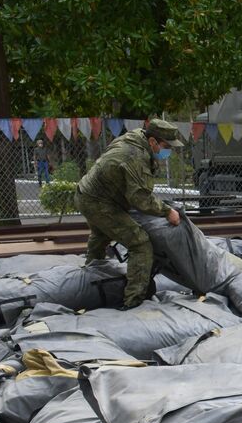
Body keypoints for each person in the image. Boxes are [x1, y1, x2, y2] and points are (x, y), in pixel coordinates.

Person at [75, 118, 184, 310]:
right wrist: (167, 212)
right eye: (167, 146)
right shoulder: (135, 156)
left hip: (89, 195)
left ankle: (90, 279)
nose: (169, 151)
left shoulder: (135, 138)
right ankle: (133, 302)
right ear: (153, 142)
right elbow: (140, 198)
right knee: (140, 244)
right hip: (99, 201)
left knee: (102, 235)